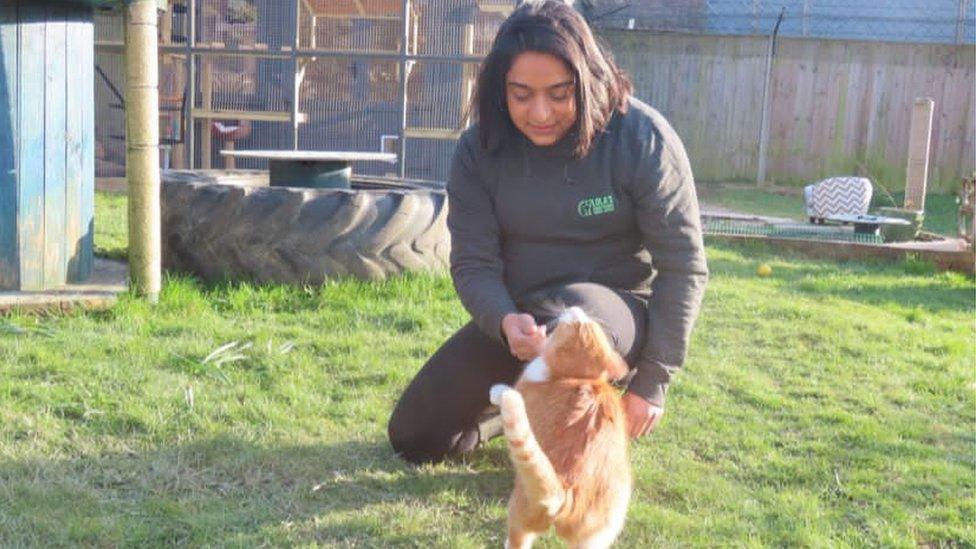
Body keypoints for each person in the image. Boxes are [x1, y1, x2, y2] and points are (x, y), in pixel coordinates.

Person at [387, 0, 708, 464]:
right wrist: (501, 319)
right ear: (500, 89)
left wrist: (651, 383)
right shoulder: (478, 150)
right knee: (416, 437)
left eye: (559, 94)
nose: (540, 113)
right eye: (521, 95)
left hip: (606, 318)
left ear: (587, 79)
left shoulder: (642, 139)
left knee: (570, 320)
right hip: (522, 322)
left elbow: (683, 267)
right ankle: (515, 413)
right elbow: (474, 262)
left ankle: (574, 439)